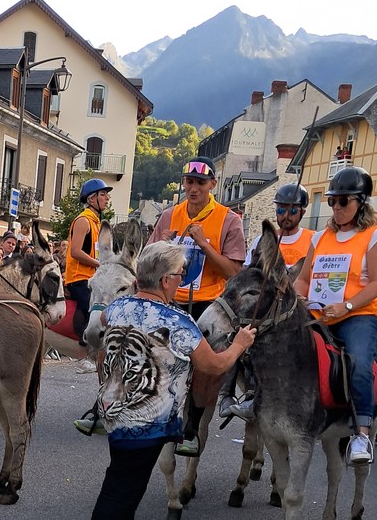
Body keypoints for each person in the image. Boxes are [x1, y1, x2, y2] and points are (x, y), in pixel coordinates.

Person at [90, 241, 256, 520]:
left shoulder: (116, 308)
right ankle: (190, 429)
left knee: (122, 484)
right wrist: (239, 344)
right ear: (166, 280)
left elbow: (105, 323)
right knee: (121, 492)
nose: (181, 280)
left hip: (115, 414)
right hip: (148, 423)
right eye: (179, 274)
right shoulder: (180, 323)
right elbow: (214, 366)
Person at [147, 156, 245, 455]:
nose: (193, 188)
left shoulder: (229, 219)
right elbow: (146, 262)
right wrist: (160, 245)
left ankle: (194, 427)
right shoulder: (168, 216)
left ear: (212, 184)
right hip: (171, 300)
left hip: (209, 304)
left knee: (207, 367)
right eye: (189, 182)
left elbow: (234, 272)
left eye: (200, 183)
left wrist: (204, 244)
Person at [293, 166, 377, 466]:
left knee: (360, 362)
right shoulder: (320, 237)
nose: (335, 207)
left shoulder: (375, 236)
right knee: (276, 344)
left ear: (360, 202)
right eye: (332, 201)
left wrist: (346, 307)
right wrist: (298, 296)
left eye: (342, 202)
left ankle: (361, 434)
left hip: (358, 316)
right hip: (318, 313)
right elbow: (304, 279)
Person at [64, 178, 113, 374]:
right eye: (103, 195)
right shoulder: (83, 221)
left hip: (92, 277)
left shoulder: (97, 223)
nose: (107, 198)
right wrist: (99, 264)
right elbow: (75, 251)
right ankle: (85, 354)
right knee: (94, 310)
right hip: (79, 278)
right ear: (92, 199)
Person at [244, 184, 315, 267]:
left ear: (302, 213)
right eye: (281, 210)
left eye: (292, 211)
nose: (286, 215)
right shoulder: (262, 241)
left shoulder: (313, 240)